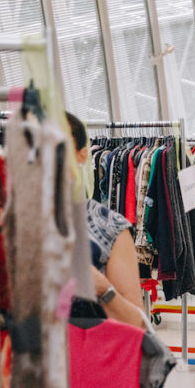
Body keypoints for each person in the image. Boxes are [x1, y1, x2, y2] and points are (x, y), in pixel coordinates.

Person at [66, 112, 147, 327]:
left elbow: (137, 324)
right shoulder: (2, 221)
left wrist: (103, 289)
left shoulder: (108, 227)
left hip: (89, 354)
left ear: (81, 156)